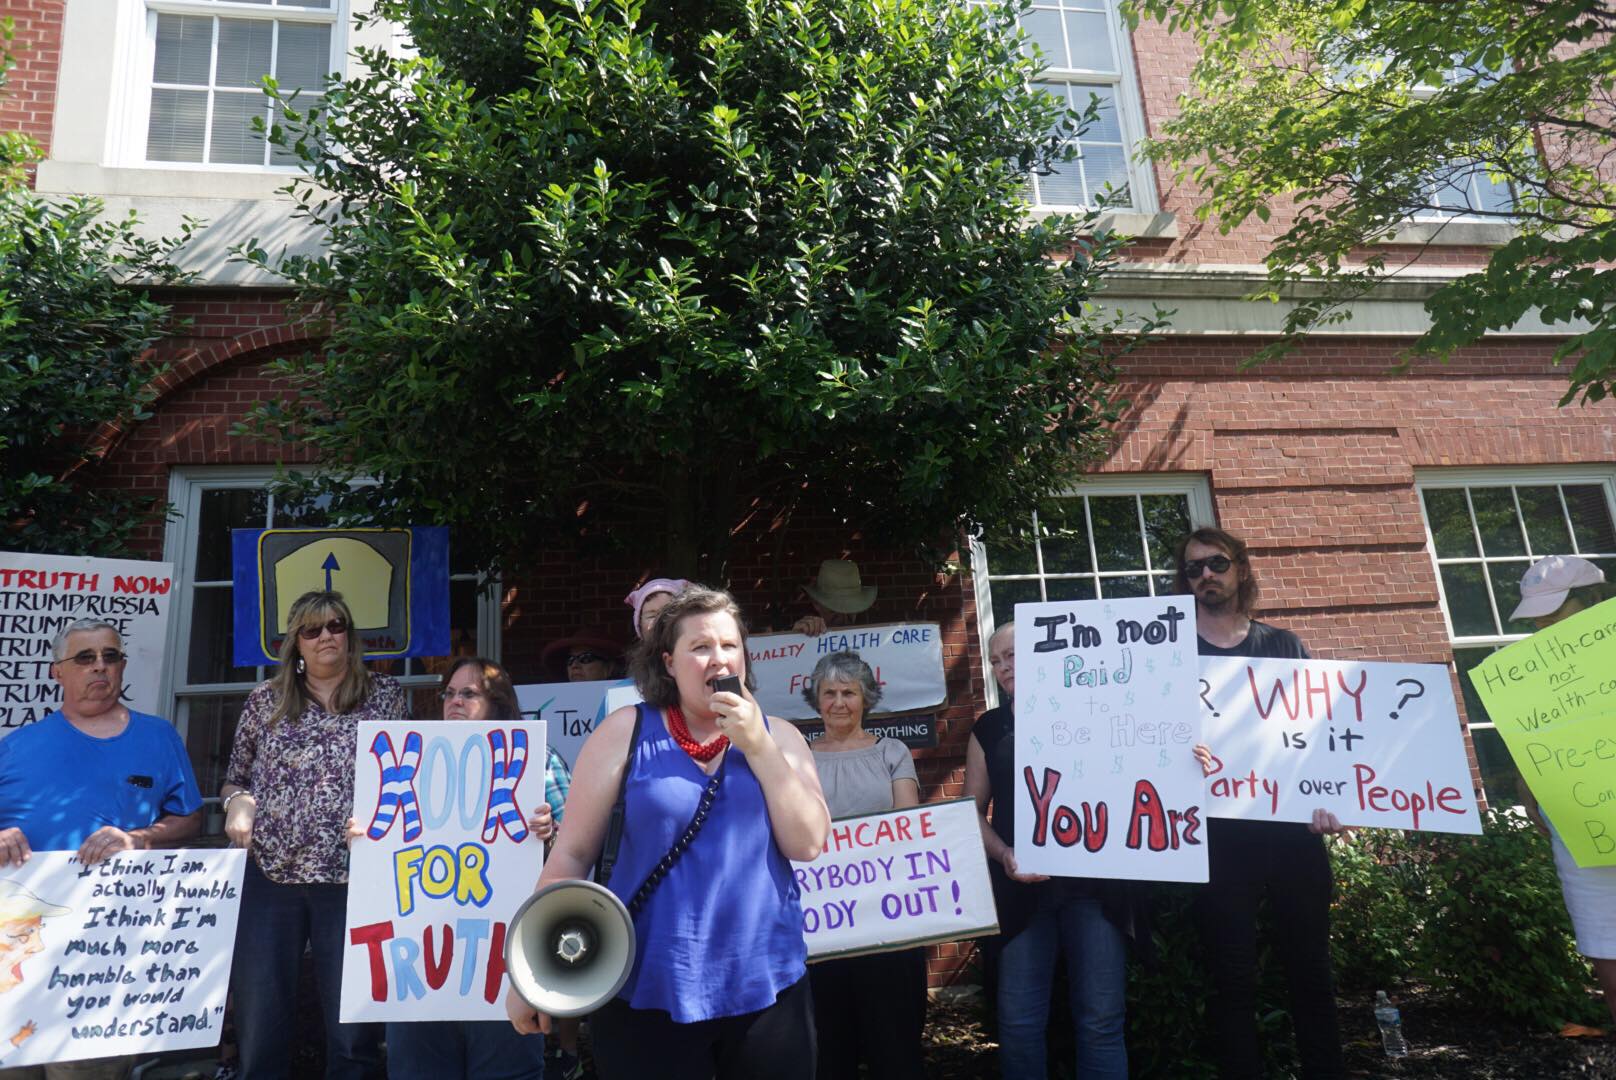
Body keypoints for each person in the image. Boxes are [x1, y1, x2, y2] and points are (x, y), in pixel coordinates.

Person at [506, 586, 829, 1080]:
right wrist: (530, 973)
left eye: (729, 646)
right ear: (669, 662)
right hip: (646, 988)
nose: (718, 659)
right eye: (700, 647)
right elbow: (570, 854)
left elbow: (807, 844)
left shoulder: (779, 736)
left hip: (766, 987)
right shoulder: (623, 732)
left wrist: (760, 748)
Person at [0, 617, 204, 1080]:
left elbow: (191, 818)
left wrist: (142, 837)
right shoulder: (16, 749)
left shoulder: (159, 737)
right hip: (19, 958)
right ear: (58, 672)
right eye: (85, 658)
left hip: (107, 955)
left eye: (110, 656)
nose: (100, 667)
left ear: (123, 666)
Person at [1180, 527, 1346, 1080]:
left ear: (1241, 570)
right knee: (1233, 981)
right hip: (1219, 841)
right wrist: (1180, 752)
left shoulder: (1284, 646)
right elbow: (1150, 741)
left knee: (1312, 974)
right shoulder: (1173, 656)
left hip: (1294, 837)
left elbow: (1317, 736)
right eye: (1194, 568)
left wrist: (1328, 801)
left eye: (1216, 563)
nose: (1205, 574)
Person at [221, 591, 406, 1080]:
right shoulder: (266, 699)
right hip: (269, 876)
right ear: (294, 643)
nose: (326, 636)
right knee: (261, 1021)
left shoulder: (386, 697)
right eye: (312, 629)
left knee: (354, 1031)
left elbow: (408, 779)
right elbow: (235, 777)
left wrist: (384, 820)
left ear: (350, 635)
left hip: (354, 878)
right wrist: (235, 803)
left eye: (336, 625)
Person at [358, 657, 566, 1080]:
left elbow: (579, 853)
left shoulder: (537, 761)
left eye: (468, 694)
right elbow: (375, 870)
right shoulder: (406, 766)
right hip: (416, 968)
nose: (453, 701)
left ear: (498, 703)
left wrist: (553, 832)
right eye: (449, 693)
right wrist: (361, 841)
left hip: (505, 969)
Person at [965, 621, 1132, 1080]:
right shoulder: (990, 728)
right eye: (996, 660)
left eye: (1012, 655)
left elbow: (1145, 778)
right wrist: (1003, 854)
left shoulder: (1098, 711)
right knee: (1018, 1022)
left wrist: (1190, 757)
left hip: (1095, 888)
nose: (1002, 667)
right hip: (1021, 892)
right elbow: (970, 811)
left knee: (1101, 1020)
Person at [801, 651, 924, 1080]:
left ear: (865, 698)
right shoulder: (798, 756)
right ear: (815, 699)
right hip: (822, 926)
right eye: (829, 692)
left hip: (888, 920)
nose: (838, 702)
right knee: (830, 1050)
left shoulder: (892, 751)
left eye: (848, 692)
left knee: (895, 1045)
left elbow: (905, 824)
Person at [1508, 555, 1616, 1025]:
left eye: (1555, 610)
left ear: (1593, 599)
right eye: (1537, 617)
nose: (1544, 625)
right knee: (1606, 954)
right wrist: (1526, 782)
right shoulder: (1533, 671)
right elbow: (1533, 738)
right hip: (1580, 827)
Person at [791, 559, 877, 636]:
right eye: (834, 610)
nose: (844, 617)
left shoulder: (873, 636)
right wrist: (794, 638)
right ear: (816, 604)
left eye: (851, 609)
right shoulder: (804, 632)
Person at [541, 627, 625, 683]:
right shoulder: (557, 704)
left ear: (609, 668)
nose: (574, 665)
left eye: (585, 658)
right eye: (570, 660)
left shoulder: (623, 703)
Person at [625, 578, 690, 642]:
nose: (660, 620)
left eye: (670, 612)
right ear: (640, 624)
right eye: (652, 616)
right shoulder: (638, 652)